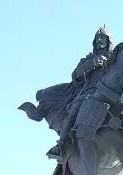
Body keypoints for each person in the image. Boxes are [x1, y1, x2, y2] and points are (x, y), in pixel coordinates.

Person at [47, 27, 114, 159]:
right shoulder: (88, 59)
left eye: (103, 38)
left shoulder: (115, 59)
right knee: (73, 111)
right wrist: (90, 65)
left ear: (109, 41)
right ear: (94, 42)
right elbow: (75, 76)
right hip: (89, 94)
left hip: (112, 95)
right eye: (98, 38)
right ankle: (61, 146)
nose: (100, 40)